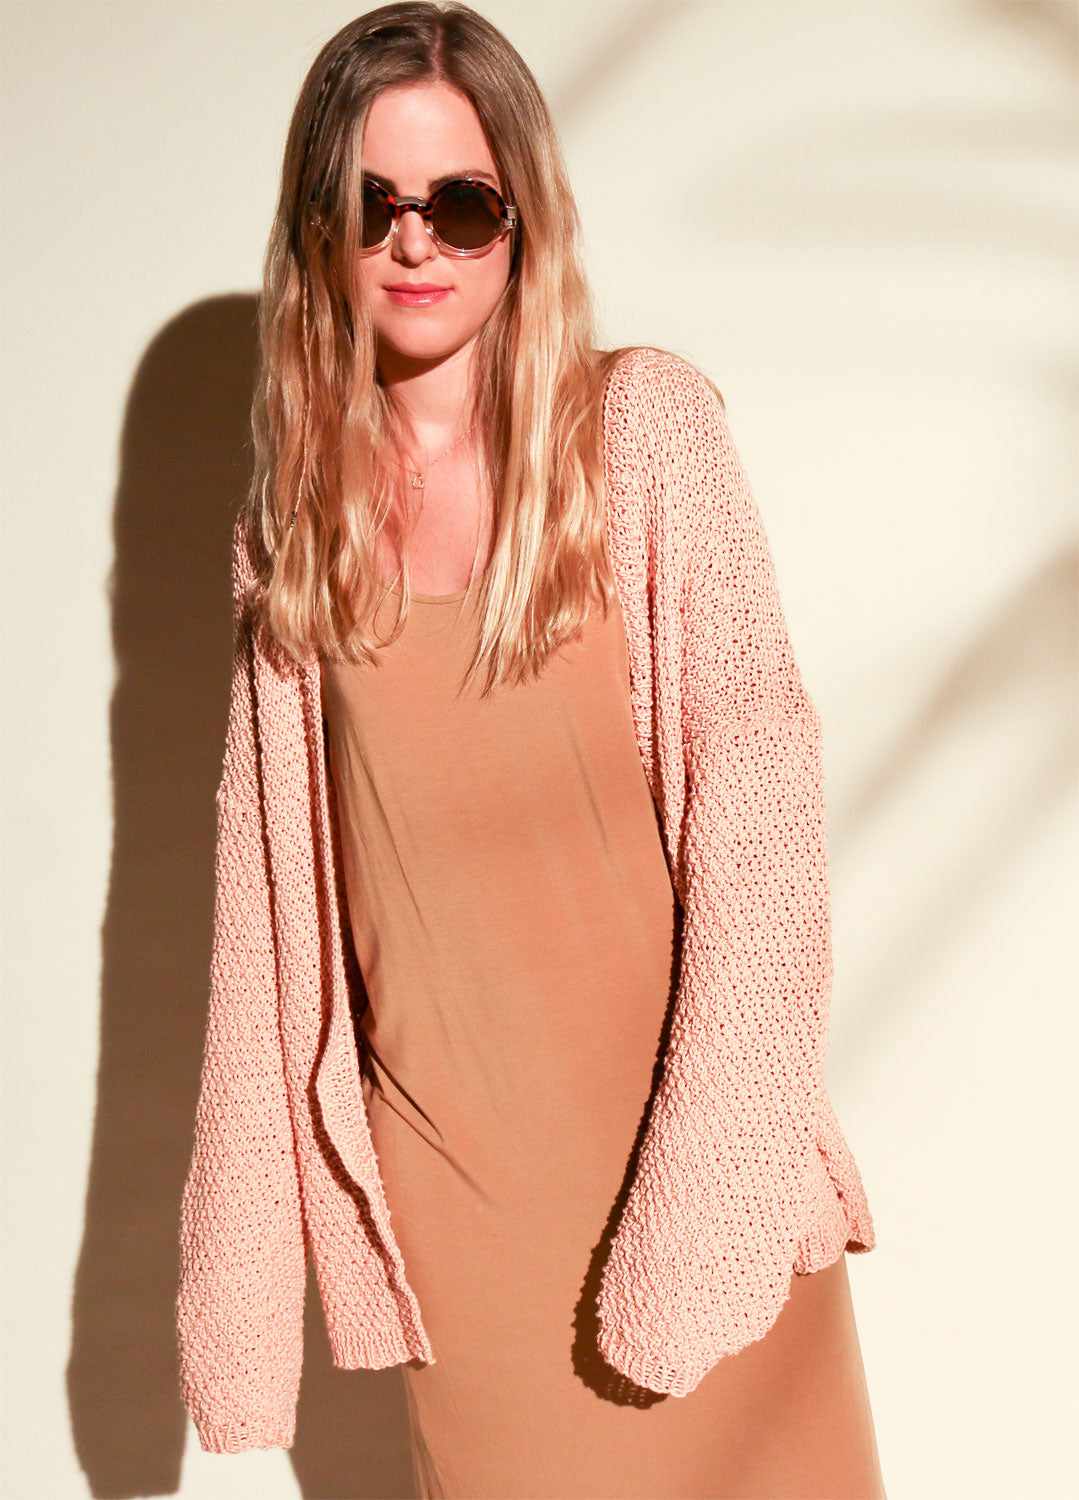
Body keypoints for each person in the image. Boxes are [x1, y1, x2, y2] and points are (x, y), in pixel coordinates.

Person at [175, 4, 887, 1496]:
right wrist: (238, 1306)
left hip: (704, 1186)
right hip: (461, 1227)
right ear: (317, 229)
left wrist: (702, 1203)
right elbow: (263, 932)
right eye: (371, 204)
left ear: (524, 217)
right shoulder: (292, 527)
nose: (414, 244)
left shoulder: (645, 435)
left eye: (461, 204)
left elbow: (764, 837)